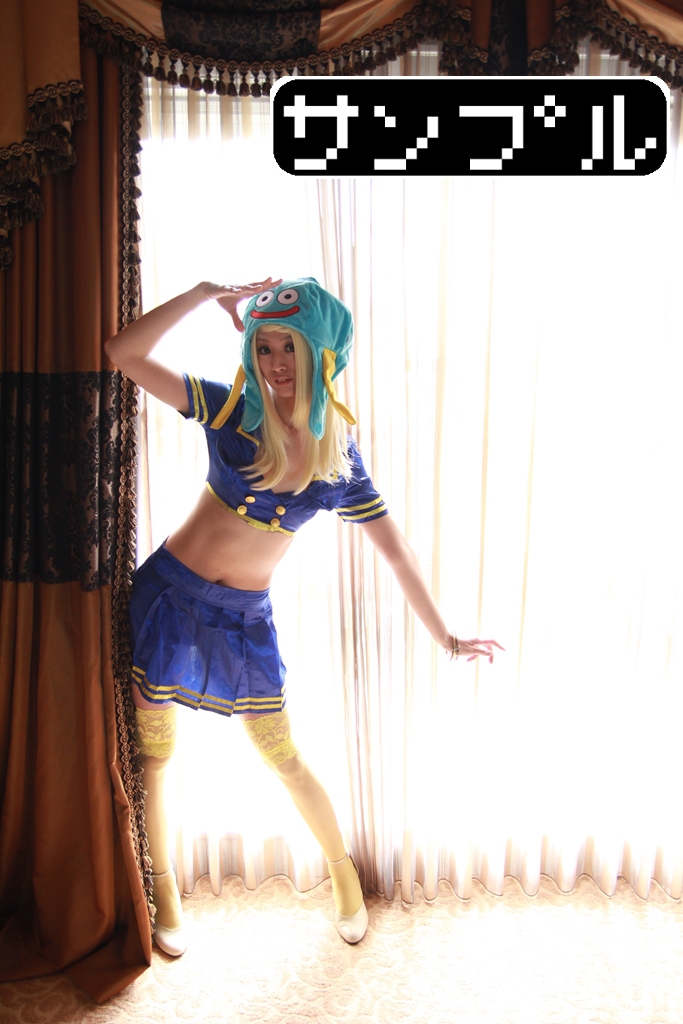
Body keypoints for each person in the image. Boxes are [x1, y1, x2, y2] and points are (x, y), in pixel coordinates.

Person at [104, 277, 502, 958]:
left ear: (319, 352)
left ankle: (344, 881)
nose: (276, 363)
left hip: (243, 621)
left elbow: (396, 551)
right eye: (263, 348)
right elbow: (123, 354)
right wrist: (203, 295)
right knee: (156, 755)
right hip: (168, 599)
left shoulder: (337, 460)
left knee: (281, 754)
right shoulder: (231, 410)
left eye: (289, 346)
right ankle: (162, 891)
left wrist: (446, 635)